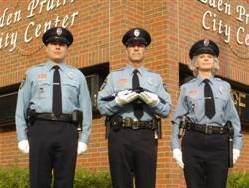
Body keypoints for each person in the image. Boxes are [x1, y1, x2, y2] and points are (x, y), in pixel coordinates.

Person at [15, 27, 92, 188]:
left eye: (62, 44)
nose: (58, 47)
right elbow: (20, 107)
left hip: (67, 130)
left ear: (67, 48)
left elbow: (86, 109)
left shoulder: (77, 75)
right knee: (38, 181)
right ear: (46, 47)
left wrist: (84, 139)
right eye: (53, 43)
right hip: (40, 129)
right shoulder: (32, 73)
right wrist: (22, 137)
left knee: (65, 182)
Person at [97, 27, 171, 188]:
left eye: (140, 45)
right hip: (120, 133)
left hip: (146, 134)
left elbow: (166, 110)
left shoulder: (156, 78)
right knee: (121, 183)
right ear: (127, 50)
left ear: (145, 50)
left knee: (146, 183)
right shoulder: (114, 77)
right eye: (132, 45)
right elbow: (101, 107)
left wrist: (153, 102)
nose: (136, 48)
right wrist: (118, 102)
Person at [170, 39, 243, 188]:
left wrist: (236, 146)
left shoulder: (224, 87)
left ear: (214, 61)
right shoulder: (186, 88)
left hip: (219, 143)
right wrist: (175, 146)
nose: (206, 59)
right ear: (195, 62)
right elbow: (177, 119)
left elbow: (233, 120)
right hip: (193, 142)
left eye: (209, 57)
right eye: (202, 56)